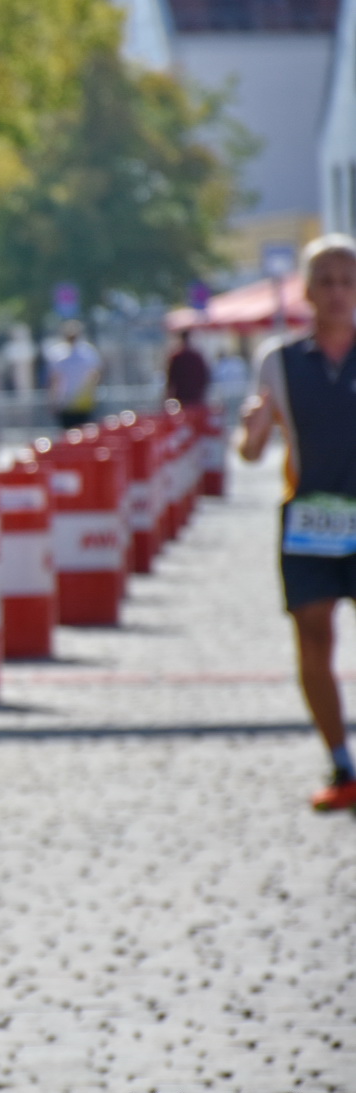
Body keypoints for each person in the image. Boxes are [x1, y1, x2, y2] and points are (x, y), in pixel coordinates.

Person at [239, 233, 356, 812]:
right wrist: (254, 428)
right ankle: (340, 763)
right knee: (313, 636)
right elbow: (250, 452)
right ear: (306, 292)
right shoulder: (278, 360)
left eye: (347, 281)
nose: (336, 292)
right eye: (325, 282)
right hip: (310, 517)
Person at [45, 320, 101, 428]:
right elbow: (55, 378)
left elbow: (95, 375)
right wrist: (53, 400)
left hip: (83, 400)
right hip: (65, 402)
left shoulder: (88, 352)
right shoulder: (57, 353)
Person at [164, 327, 211, 410]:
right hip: (195, 397)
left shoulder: (176, 357)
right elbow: (205, 376)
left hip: (181, 397)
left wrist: (168, 396)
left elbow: (170, 379)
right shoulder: (197, 357)